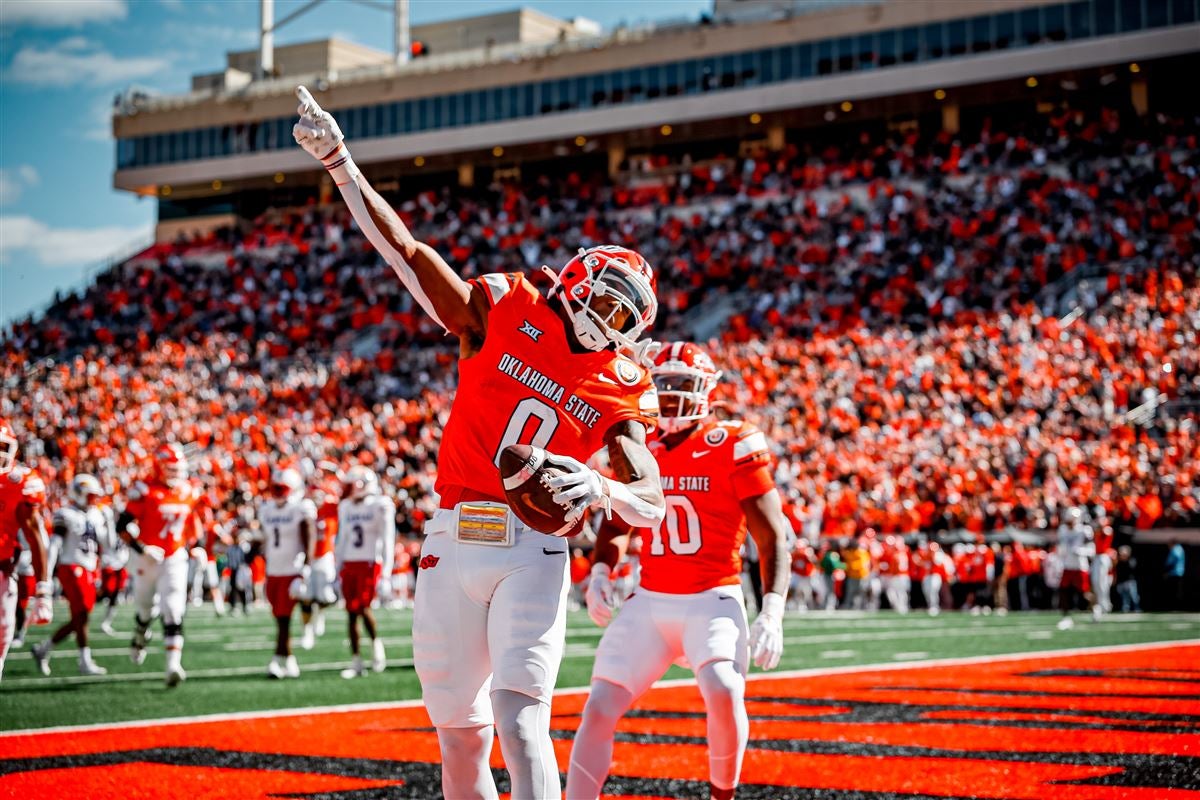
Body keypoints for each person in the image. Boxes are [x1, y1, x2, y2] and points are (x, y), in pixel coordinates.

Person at [294, 87, 665, 800]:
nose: (611, 319)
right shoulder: (508, 306)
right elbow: (407, 254)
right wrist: (342, 164)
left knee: (522, 725)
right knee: (460, 745)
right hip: (451, 533)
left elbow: (648, 493)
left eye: (627, 315)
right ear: (580, 279)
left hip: (532, 546)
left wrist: (602, 488)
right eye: (609, 299)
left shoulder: (619, 378)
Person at [568, 341, 791, 800]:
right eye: (663, 387)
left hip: (713, 597)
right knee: (599, 706)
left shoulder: (731, 440)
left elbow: (771, 537)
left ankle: (722, 795)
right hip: (650, 601)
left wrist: (772, 611)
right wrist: (601, 572)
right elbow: (615, 522)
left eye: (681, 387)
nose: (671, 398)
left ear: (706, 390)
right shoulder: (640, 445)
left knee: (724, 687)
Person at [116, 442, 205, 687]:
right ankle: (139, 635)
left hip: (175, 556)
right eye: (170, 468)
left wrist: (198, 546)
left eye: (177, 468)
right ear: (158, 467)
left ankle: (172, 665)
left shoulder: (188, 491)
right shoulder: (144, 490)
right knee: (145, 610)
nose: (176, 473)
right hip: (147, 558)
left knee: (173, 607)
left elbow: (193, 523)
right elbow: (121, 527)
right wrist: (142, 548)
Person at [31, 474, 110, 676]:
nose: (94, 500)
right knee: (82, 614)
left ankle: (43, 649)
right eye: (90, 495)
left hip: (90, 568)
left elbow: (105, 545)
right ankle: (84, 661)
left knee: (80, 618)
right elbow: (55, 545)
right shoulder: (65, 513)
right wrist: (46, 576)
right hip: (71, 566)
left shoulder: (97, 515)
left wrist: (109, 524)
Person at [0, 419, 54, 681]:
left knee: (1, 641)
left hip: (2, 571)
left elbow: (34, 534)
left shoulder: (19, 483)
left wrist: (43, 590)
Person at [335, 465, 394, 679]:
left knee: (363, 608)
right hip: (350, 564)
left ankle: (376, 647)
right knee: (350, 613)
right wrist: (337, 570)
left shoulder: (380, 504)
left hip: (369, 563)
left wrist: (386, 574)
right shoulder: (346, 507)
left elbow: (387, 540)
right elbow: (341, 540)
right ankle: (357, 660)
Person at [256, 468, 315, 679]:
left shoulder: (301, 508)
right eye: (276, 488)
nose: (278, 493)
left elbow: (309, 538)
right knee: (280, 618)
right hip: (273, 570)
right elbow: (266, 539)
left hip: (292, 569)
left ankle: (276, 660)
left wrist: (305, 570)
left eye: (283, 489)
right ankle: (289, 660)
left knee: (284, 619)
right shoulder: (267, 509)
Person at [1056, 507, 1093, 630]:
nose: (1069, 522)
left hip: (1080, 566)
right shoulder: (1062, 530)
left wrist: (1080, 551)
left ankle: (1095, 608)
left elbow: (1092, 550)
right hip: (1067, 565)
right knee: (1063, 591)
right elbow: (1061, 546)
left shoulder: (1084, 531)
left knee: (1083, 593)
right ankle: (1066, 617)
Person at [1114, 545, 1140, 612]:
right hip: (1122, 582)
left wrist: (1126, 559)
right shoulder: (1118, 561)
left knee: (1134, 597)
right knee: (1124, 597)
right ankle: (1125, 609)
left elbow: (1132, 568)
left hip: (1130, 582)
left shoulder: (1131, 560)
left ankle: (1137, 609)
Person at [1163, 538, 1186, 610]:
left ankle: (1175, 608)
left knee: (1174, 592)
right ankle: (1176, 608)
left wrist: (1166, 572)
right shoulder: (1180, 549)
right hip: (1178, 573)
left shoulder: (1175, 549)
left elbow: (1170, 562)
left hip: (1174, 573)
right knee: (1177, 592)